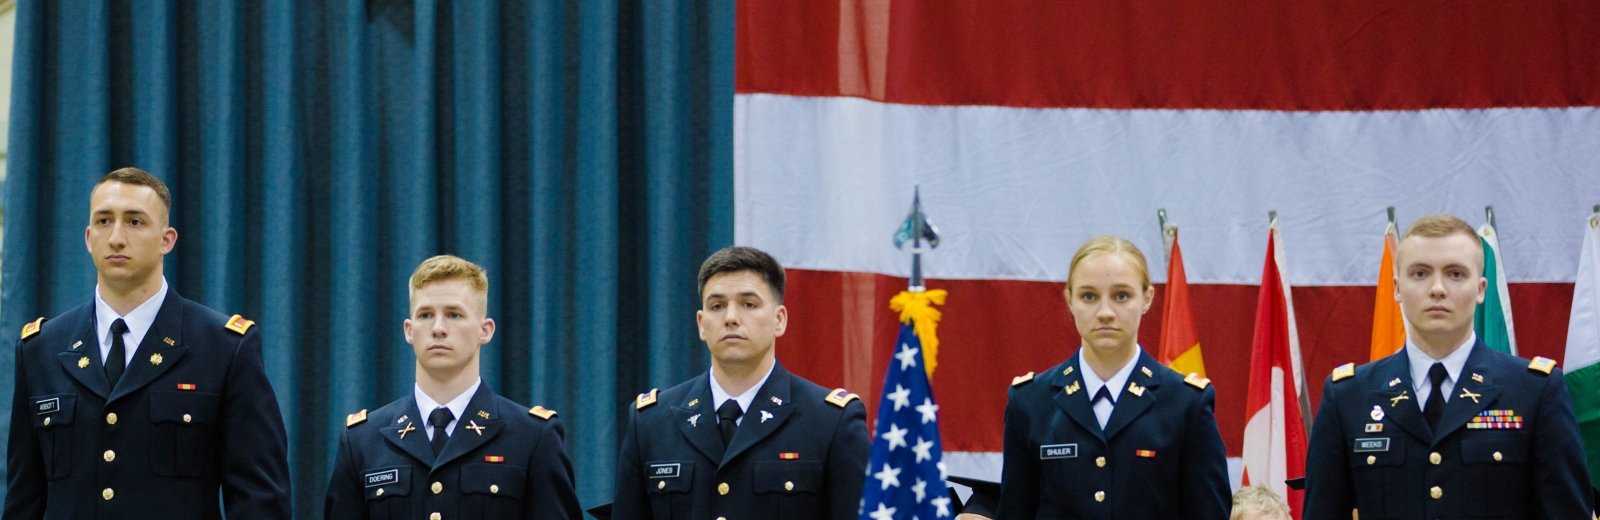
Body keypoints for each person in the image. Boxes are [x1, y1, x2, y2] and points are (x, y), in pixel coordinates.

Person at [5, 167, 290, 519]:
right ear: (88, 237)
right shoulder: (42, 350)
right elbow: (24, 500)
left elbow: (259, 499)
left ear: (166, 239)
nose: (117, 238)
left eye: (135, 222)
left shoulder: (223, 347)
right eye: (105, 221)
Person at [1304, 213, 1594, 519]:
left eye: (1455, 274)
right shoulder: (1349, 398)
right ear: (1397, 287)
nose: (1437, 289)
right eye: (1420, 274)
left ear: (1481, 288)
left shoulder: (1534, 392)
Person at [611, 246, 870, 519]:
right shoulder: (652, 422)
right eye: (717, 306)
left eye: (749, 304)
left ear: (779, 320)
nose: (731, 318)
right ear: (701, 324)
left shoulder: (830, 422)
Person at [324, 255, 579, 519]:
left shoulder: (531, 437)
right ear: (409, 331)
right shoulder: (363, 441)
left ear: (486, 330)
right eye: (425, 315)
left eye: (454, 314)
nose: (438, 328)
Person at [997, 235, 1230, 519]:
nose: (1105, 312)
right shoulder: (1031, 402)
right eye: (1089, 296)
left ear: (1147, 298)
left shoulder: (1185, 403)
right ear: (1069, 299)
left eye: (1122, 296)